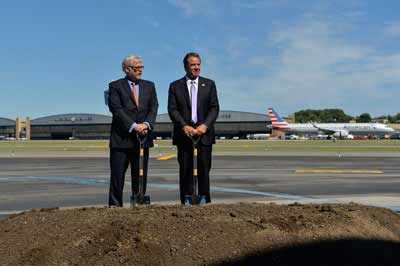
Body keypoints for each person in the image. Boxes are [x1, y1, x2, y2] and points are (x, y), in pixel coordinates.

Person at [168, 52, 219, 205]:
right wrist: (184, 125)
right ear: (185, 66)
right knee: (186, 169)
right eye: (192, 65)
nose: (196, 68)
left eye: (198, 64)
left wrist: (205, 125)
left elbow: (214, 108)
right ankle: (187, 198)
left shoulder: (209, 84)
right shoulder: (175, 86)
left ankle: (204, 197)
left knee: (204, 168)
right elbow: (172, 109)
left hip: (204, 135)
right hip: (184, 135)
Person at [108, 55, 158, 207]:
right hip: (121, 140)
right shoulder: (115, 86)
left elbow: (153, 107)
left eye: (141, 67)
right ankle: (115, 206)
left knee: (140, 176)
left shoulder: (149, 86)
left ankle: (139, 203)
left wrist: (146, 124)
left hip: (142, 139)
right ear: (126, 69)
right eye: (137, 68)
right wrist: (133, 126)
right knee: (117, 177)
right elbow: (117, 110)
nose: (140, 71)